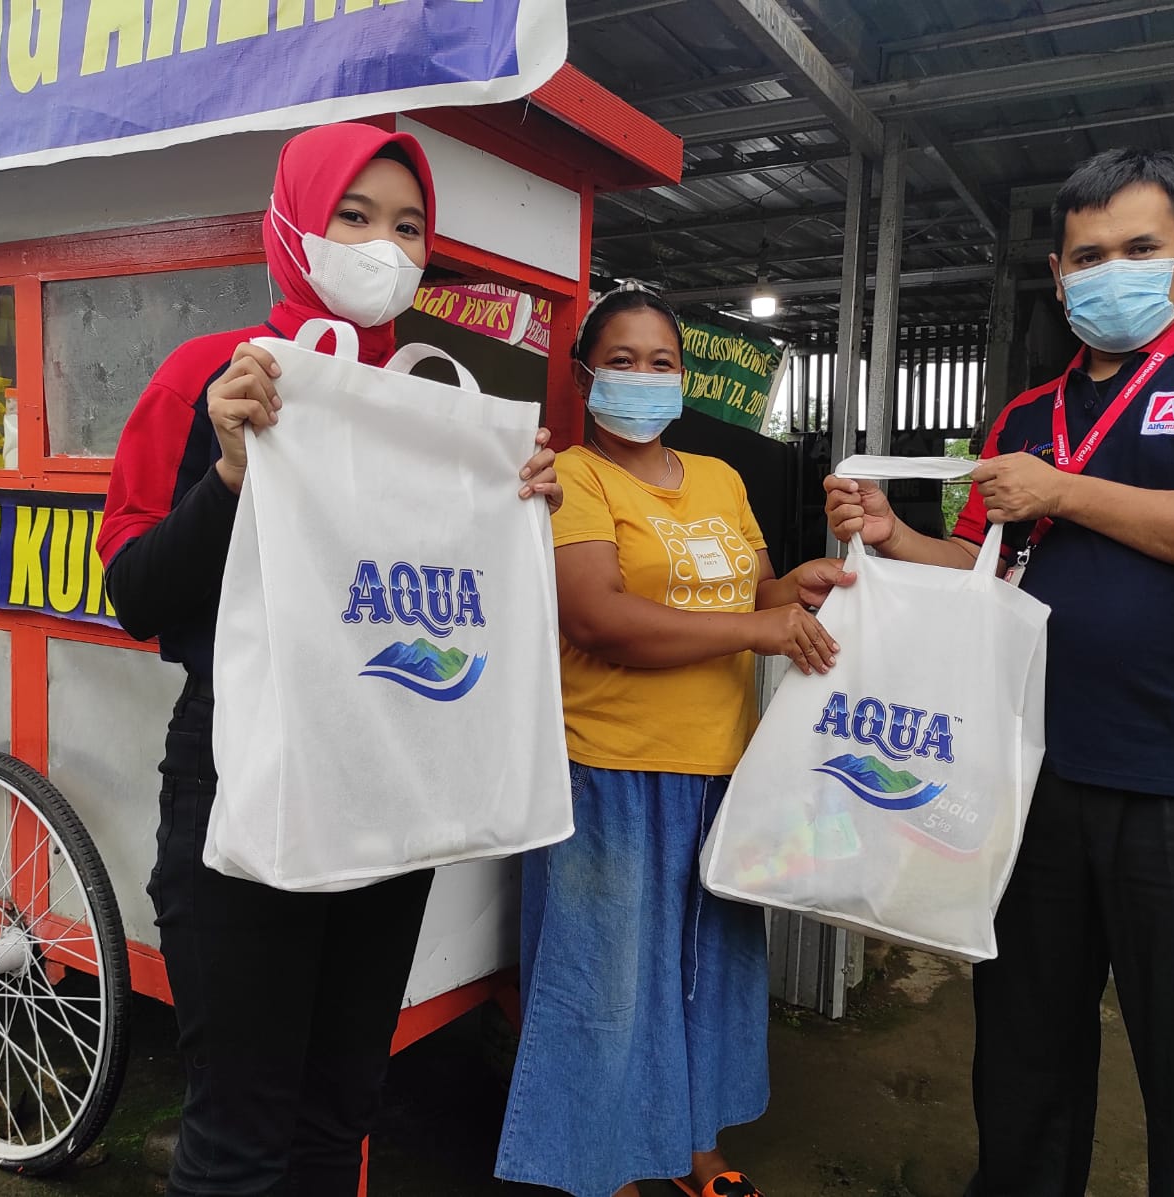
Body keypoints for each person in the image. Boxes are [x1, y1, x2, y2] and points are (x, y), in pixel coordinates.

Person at [827, 148, 1174, 1197]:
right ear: (1058, 275)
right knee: (1024, 1056)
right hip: (1030, 781)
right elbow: (989, 571)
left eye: (1140, 248)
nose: (1112, 272)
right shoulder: (1022, 421)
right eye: (1089, 256)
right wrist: (894, 537)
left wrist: (1064, 490)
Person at [97, 123, 560, 1197]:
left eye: (408, 227)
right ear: (293, 223)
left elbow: (464, 596)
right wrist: (228, 475)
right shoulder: (212, 379)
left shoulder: (434, 407)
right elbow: (136, 596)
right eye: (354, 216)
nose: (383, 247)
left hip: (385, 785)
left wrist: (516, 505)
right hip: (242, 776)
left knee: (339, 1116)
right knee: (238, 1139)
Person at [496, 282, 855, 1197]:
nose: (644, 376)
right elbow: (598, 617)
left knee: (708, 976)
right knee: (606, 985)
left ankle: (697, 1150)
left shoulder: (722, 480)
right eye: (622, 360)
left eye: (661, 361)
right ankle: (603, 1170)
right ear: (586, 379)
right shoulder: (575, 478)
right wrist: (757, 628)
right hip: (609, 770)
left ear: (683, 378)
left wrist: (800, 587)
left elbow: (756, 595)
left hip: (721, 771)